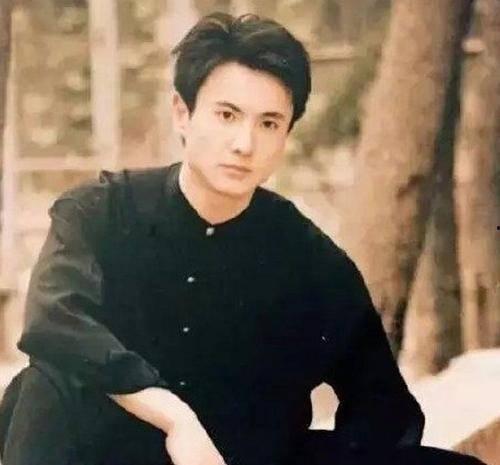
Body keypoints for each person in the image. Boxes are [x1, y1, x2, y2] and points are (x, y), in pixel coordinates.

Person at [0, 12, 486, 465]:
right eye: (227, 115)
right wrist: (174, 418)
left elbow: (384, 408)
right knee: (42, 386)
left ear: (286, 135)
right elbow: (54, 320)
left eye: (268, 123)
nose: (244, 144)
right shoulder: (102, 211)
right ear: (183, 113)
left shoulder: (309, 259)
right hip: (105, 454)